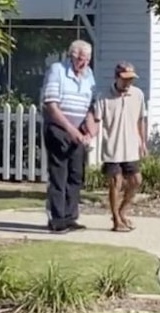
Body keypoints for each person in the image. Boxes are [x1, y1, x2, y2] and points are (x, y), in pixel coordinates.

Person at [41, 39, 96, 233]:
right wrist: (71, 130)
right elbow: (51, 106)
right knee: (59, 175)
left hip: (78, 129)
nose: (84, 63)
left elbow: (90, 107)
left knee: (75, 175)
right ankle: (57, 219)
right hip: (58, 128)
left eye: (88, 59)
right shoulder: (58, 70)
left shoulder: (89, 75)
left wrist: (89, 131)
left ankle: (71, 217)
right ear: (72, 56)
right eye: (81, 59)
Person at [88, 62, 147, 232]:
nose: (128, 83)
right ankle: (116, 220)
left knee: (136, 180)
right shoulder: (104, 96)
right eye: (125, 79)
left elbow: (140, 119)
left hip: (131, 147)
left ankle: (122, 211)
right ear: (117, 78)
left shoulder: (138, 95)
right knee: (116, 182)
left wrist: (143, 142)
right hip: (112, 147)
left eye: (131, 80)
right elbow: (96, 119)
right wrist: (89, 136)